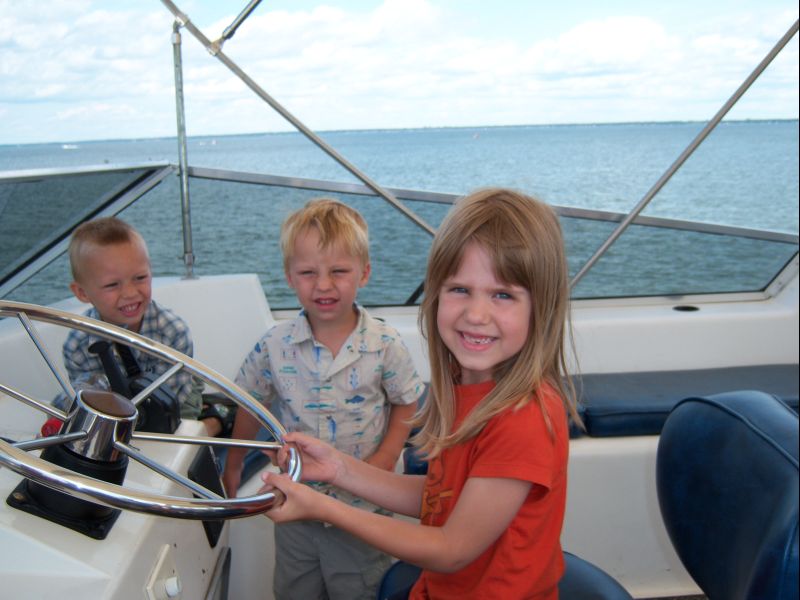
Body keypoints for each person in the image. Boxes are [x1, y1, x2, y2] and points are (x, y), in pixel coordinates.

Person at [262, 188, 583, 599]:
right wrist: (338, 469)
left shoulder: (524, 418)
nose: (476, 314)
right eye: (459, 289)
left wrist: (323, 507)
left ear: (543, 307)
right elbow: (439, 498)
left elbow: (451, 549)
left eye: (502, 294)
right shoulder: (467, 386)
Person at [222, 198, 425, 599]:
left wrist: (387, 456)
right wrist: (233, 463)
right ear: (289, 277)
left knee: (359, 590)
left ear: (364, 273)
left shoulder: (385, 344)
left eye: (338, 271)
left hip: (363, 511)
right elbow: (251, 403)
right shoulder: (274, 345)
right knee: (295, 589)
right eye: (308, 272)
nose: (324, 285)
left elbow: (407, 401)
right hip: (295, 502)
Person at [56, 217, 223, 435]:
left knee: (183, 429)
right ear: (82, 293)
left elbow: (170, 401)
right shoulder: (77, 346)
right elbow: (89, 401)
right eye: (112, 285)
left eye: (140, 278)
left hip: (175, 395)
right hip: (118, 407)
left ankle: (215, 420)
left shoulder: (173, 332)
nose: (130, 293)